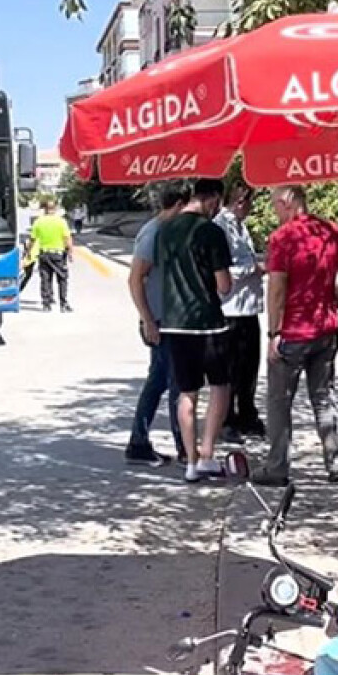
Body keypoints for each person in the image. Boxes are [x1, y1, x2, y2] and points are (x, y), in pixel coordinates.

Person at [253, 185, 338, 487]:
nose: (274, 212)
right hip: (326, 329)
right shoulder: (331, 231)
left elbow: (277, 289)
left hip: (293, 332)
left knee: (279, 401)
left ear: (287, 202)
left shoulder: (283, 238)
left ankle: (276, 467)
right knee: (324, 398)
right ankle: (336, 462)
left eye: (275, 205)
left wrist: (273, 333)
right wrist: (329, 305)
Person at [156, 178, 233, 483]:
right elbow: (224, 285)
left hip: (175, 324)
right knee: (220, 387)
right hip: (208, 323)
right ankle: (207, 455)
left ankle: (189, 461)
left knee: (186, 394)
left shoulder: (165, 232)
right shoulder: (210, 232)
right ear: (213, 199)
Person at [125, 182, 191, 466]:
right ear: (178, 205)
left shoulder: (165, 231)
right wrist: (148, 320)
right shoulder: (153, 234)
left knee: (161, 380)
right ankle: (183, 446)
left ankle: (139, 442)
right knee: (172, 382)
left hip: (168, 318)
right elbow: (135, 279)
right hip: (160, 321)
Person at [213, 183, 266, 443]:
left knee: (249, 366)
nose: (252, 208)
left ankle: (247, 412)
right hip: (231, 307)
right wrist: (252, 271)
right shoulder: (221, 227)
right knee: (232, 368)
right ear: (240, 201)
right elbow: (222, 270)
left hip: (248, 307)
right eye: (250, 202)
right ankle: (228, 419)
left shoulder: (240, 227)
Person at [30, 199, 73, 312]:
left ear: (44, 209)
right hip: (58, 254)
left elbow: (33, 239)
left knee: (45, 279)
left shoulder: (39, 221)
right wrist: (70, 253)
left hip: (44, 254)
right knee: (62, 278)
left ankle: (46, 304)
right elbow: (67, 238)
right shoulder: (61, 221)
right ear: (55, 208)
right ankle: (63, 304)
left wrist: (29, 252)